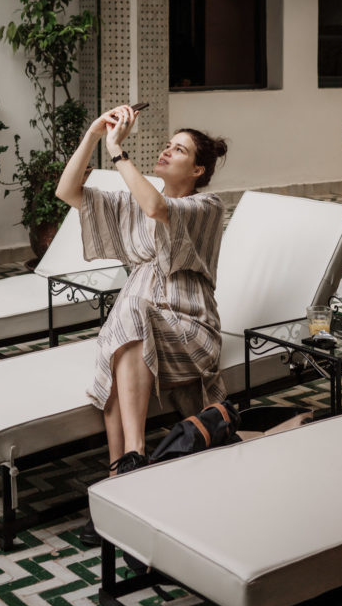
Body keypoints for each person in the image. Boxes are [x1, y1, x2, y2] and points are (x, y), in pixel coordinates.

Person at [56, 104, 228, 542]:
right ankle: (122, 482)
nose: (167, 151)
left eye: (179, 149)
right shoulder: (132, 203)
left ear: (198, 169)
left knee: (129, 311)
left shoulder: (206, 205)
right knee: (124, 327)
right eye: (168, 145)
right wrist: (95, 133)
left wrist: (117, 151)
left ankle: (132, 458)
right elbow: (67, 190)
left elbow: (155, 207)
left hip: (190, 328)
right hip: (138, 328)